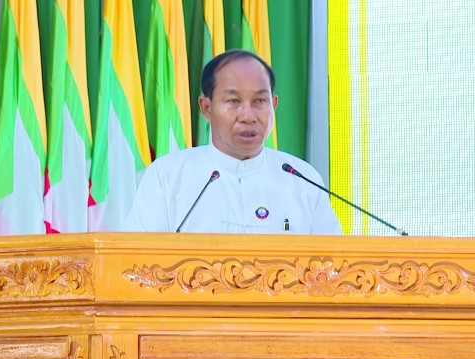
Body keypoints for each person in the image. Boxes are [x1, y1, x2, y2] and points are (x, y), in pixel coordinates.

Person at [125, 50, 342, 235]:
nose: (248, 116)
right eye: (233, 101)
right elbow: (138, 261)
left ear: (273, 105)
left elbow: (334, 263)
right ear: (207, 108)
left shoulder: (303, 180)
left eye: (260, 101)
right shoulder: (167, 177)